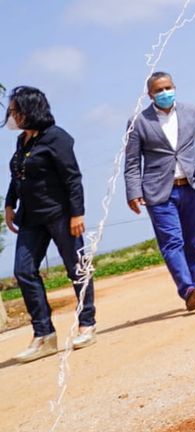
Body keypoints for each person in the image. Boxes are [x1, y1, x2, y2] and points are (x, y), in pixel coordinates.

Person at [5, 86, 96, 362]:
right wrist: (9, 204)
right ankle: (44, 335)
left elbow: (72, 178)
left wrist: (77, 213)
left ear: (29, 110)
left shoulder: (58, 138)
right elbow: (17, 176)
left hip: (60, 215)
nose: (11, 115)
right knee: (23, 271)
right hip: (31, 219)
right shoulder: (23, 141)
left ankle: (87, 324)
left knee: (76, 268)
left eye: (15, 111)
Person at [123, 72, 195, 311]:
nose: (164, 93)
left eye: (168, 88)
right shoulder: (138, 122)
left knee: (194, 242)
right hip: (158, 193)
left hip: (191, 186)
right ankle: (187, 290)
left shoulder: (192, 112)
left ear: (174, 87)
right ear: (150, 94)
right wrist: (133, 192)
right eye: (159, 90)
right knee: (172, 243)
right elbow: (132, 162)